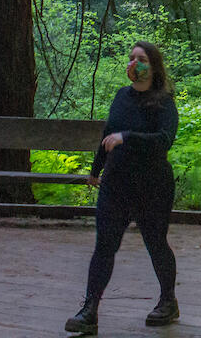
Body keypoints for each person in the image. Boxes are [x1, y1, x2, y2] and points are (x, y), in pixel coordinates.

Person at [65, 41, 180, 334]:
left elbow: (163, 140)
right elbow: (107, 135)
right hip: (116, 185)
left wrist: (127, 137)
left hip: (152, 186)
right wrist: (95, 170)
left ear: (153, 67)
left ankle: (168, 301)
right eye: (131, 58)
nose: (134, 63)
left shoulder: (165, 103)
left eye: (140, 59)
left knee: (156, 244)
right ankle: (89, 310)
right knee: (104, 246)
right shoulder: (121, 96)